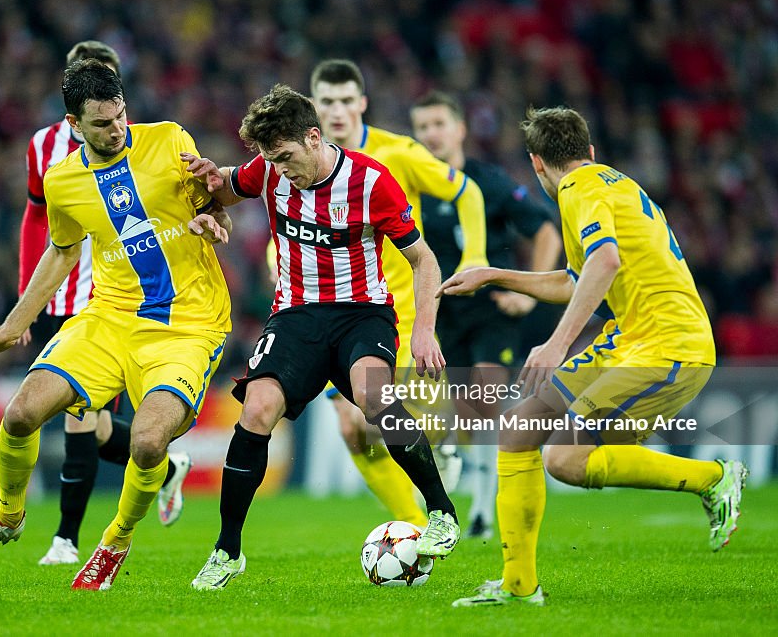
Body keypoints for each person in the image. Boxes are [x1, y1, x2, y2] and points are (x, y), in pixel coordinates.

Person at [441, 107, 747, 607]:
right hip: (631, 337)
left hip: (670, 346)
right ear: (589, 151)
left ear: (536, 163)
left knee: (564, 458)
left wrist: (558, 342)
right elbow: (576, 279)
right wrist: (494, 274)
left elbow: (606, 261)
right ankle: (519, 588)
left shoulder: (579, 190)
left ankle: (714, 478)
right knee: (518, 430)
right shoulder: (613, 184)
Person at [0, 60, 231, 592]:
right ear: (74, 124)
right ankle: (8, 518)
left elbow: (218, 206)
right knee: (22, 413)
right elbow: (61, 252)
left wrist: (213, 222)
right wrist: (10, 328)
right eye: (102, 123)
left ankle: (114, 542)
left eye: (121, 116)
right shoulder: (63, 181)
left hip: (188, 326)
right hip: (110, 317)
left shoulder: (169, 141)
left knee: (147, 444)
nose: (117, 129)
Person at [184, 84, 459, 591]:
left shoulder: (370, 180)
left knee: (375, 398)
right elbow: (226, 186)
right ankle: (227, 550)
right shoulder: (269, 171)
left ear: (313, 138)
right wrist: (209, 193)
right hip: (295, 316)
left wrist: (424, 330)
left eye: (286, 156)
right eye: (271, 159)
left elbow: (423, 259)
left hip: (362, 314)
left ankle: (441, 513)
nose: (279, 168)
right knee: (257, 410)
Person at [18, 40, 190, 566]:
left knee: (78, 420)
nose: (112, 121)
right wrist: (23, 303)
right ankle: (167, 468)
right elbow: (39, 224)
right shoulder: (43, 151)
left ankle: (65, 539)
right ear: (74, 111)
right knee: (81, 422)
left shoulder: (147, 143)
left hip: (112, 300)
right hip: (58, 293)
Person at [307, 59, 489, 526]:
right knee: (353, 429)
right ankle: (417, 526)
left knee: (399, 419)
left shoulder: (399, 152)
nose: (338, 111)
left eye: (348, 100)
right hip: (330, 312)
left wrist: (475, 256)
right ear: (314, 107)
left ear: (363, 103)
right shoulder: (302, 162)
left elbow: (467, 192)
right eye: (328, 101)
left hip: (399, 312)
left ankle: (445, 450)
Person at [410, 91, 562, 539]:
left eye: (439, 123)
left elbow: (544, 230)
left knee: (485, 394)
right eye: (422, 127)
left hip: (492, 310)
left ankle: (481, 509)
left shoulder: (487, 182)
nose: (430, 134)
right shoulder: (414, 184)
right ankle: (468, 497)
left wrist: (531, 294)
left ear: (459, 129)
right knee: (459, 412)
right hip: (441, 314)